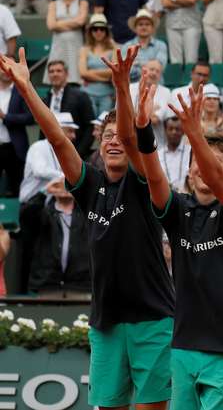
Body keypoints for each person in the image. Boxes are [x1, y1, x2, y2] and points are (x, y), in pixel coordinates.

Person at [0, 46, 175, 408]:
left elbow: (131, 138)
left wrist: (121, 88)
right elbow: (57, 138)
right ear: (98, 142)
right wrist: (26, 88)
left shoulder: (143, 180)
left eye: (119, 137)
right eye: (106, 135)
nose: (114, 141)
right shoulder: (89, 184)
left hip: (152, 318)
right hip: (106, 321)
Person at [133, 64, 223, 410]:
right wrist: (143, 129)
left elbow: (216, 181)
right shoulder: (177, 208)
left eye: (215, 163)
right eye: (197, 162)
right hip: (184, 346)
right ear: (188, 171)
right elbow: (153, 177)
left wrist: (194, 133)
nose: (203, 169)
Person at [27, 177, 91, 299]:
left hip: (81, 286)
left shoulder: (86, 213)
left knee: (81, 318)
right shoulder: (43, 213)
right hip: (48, 286)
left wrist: (82, 191)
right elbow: (26, 215)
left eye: (69, 185)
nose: (65, 188)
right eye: (60, 185)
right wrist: (44, 191)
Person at [19, 112, 78, 203]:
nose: (74, 136)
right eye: (70, 131)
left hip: (53, 205)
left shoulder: (66, 152)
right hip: (32, 203)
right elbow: (40, 171)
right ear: (58, 131)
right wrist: (64, 176)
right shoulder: (39, 146)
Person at [43, 61, 96, 158]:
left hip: (75, 152)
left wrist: (79, 153)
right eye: (51, 71)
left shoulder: (80, 96)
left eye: (59, 71)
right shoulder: (46, 100)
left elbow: (90, 127)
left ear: (66, 74)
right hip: (50, 154)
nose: (55, 74)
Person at [46, 0, 88, 86]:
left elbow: (81, 21)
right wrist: (73, 23)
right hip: (58, 46)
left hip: (76, 45)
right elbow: (51, 25)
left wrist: (59, 23)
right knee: (57, 79)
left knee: (76, 80)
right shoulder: (53, 4)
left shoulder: (82, 3)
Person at [0, 72, 34, 197]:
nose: (5, 71)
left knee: (17, 188)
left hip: (13, 148)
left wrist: (5, 117)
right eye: (2, 68)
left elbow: (30, 117)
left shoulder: (21, 90)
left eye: (9, 68)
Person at [79, 14, 118, 116]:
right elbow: (82, 73)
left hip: (107, 94)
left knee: (104, 125)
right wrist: (106, 78)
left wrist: (91, 73)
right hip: (87, 93)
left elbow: (114, 71)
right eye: (95, 29)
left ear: (106, 31)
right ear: (90, 31)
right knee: (90, 126)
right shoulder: (84, 49)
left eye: (102, 29)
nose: (98, 32)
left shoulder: (114, 48)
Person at [129, 60, 172, 148]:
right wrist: (150, 110)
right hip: (130, 142)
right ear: (143, 70)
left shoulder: (166, 92)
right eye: (152, 69)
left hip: (155, 145)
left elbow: (155, 120)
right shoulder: (129, 88)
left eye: (158, 71)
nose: (154, 73)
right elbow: (122, 115)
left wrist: (134, 112)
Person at [122, 9, 169, 82]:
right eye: (140, 24)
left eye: (147, 24)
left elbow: (159, 67)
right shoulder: (127, 46)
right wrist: (151, 67)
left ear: (152, 28)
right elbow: (126, 70)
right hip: (134, 88)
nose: (144, 27)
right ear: (135, 28)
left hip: (156, 87)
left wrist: (137, 64)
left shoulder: (161, 45)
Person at [157, 116, 191, 191]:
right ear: (165, 131)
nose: (174, 132)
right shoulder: (158, 154)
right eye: (170, 129)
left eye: (177, 129)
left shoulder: (190, 152)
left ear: (183, 132)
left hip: (186, 195)